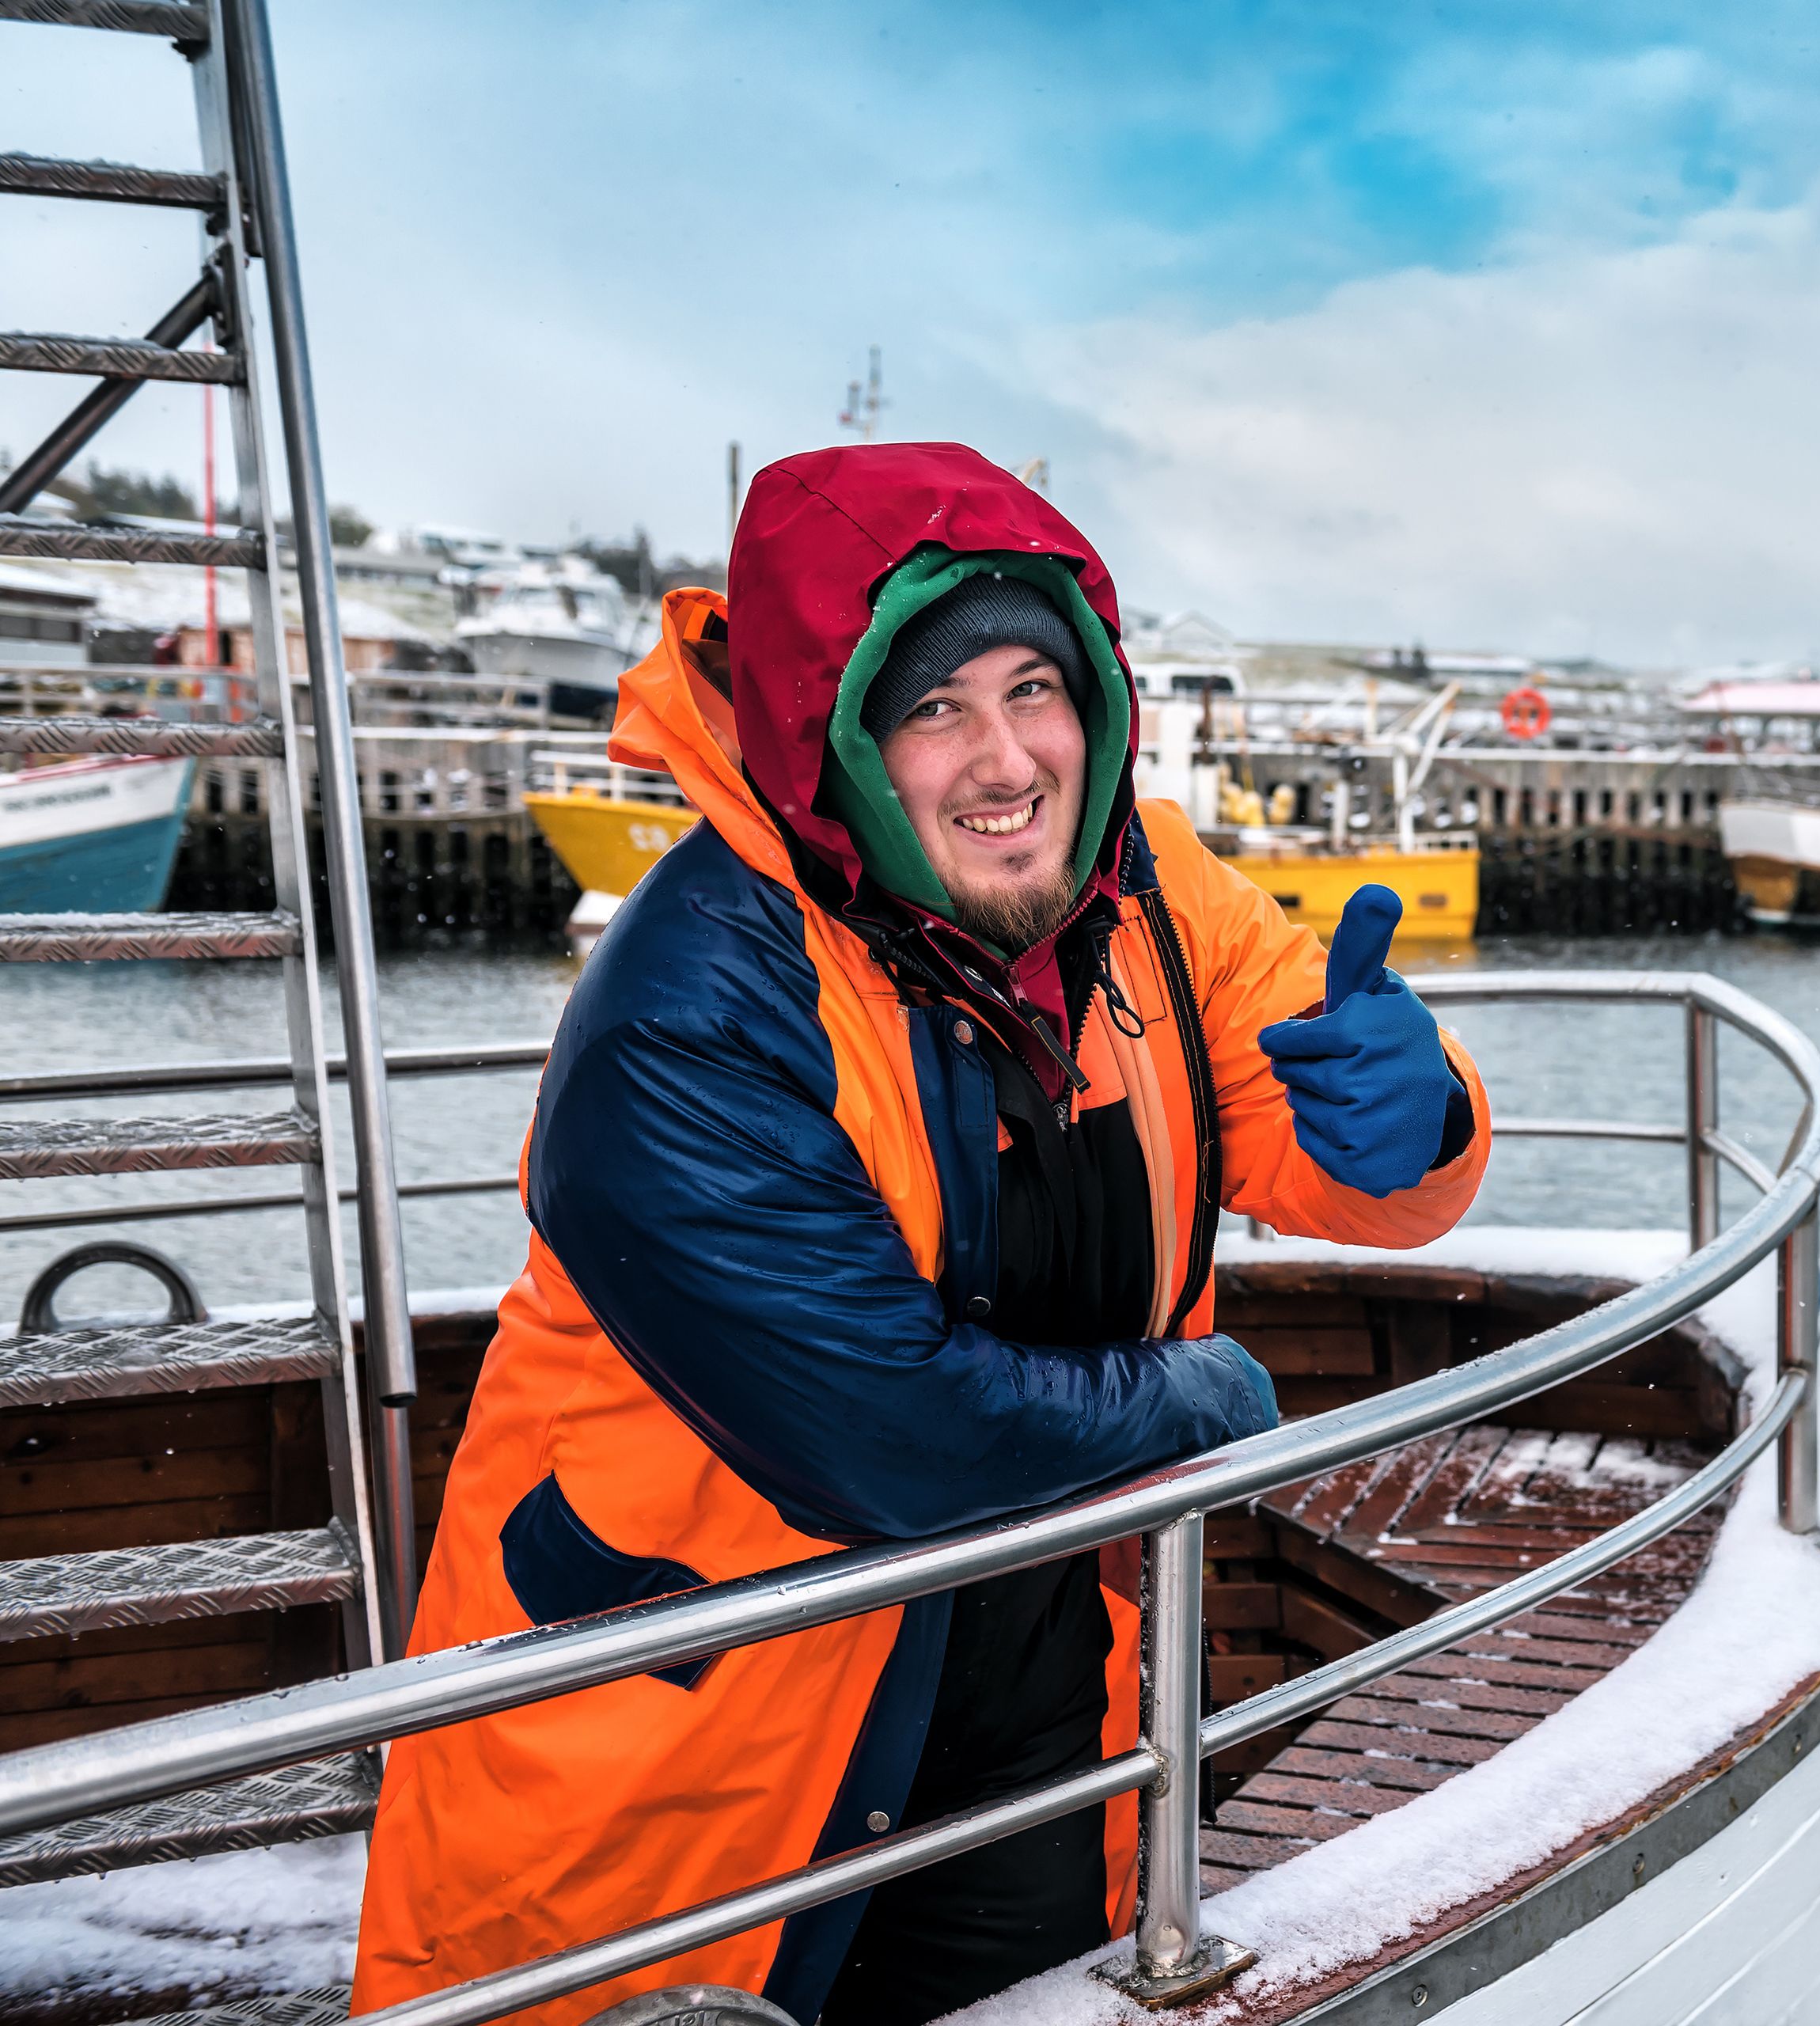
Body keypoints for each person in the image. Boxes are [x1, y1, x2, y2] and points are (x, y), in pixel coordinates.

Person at [351, 443, 1492, 2025]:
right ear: (833, 744)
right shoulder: (694, 1005)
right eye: (931, 707)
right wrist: (1206, 1402)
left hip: (1039, 1694)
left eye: (1036, 686)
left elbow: (1347, 1169)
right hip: (688, 1728)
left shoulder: (1150, 889)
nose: (1006, 755)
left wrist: (1413, 1109)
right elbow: (898, 1436)